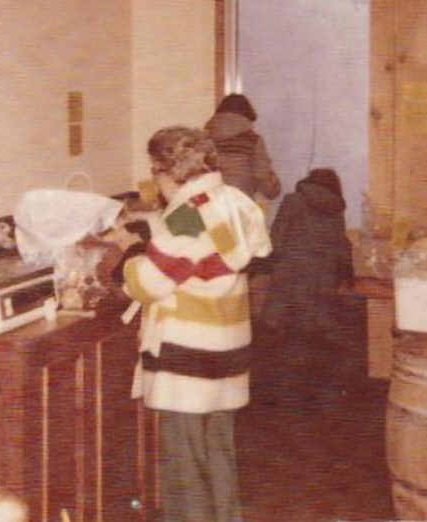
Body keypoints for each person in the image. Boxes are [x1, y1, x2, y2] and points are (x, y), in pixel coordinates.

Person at [121, 126, 272, 522]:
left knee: (183, 467)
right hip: (227, 353)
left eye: (156, 171)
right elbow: (208, 249)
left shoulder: (184, 219)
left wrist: (129, 255)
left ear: (168, 171)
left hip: (186, 360)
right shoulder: (235, 202)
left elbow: (147, 283)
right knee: (218, 455)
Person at [262, 168, 354, 407]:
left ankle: (288, 401)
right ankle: (319, 399)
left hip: (290, 282)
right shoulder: (336, 209)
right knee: (316, 339)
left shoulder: (293, 201)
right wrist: (344, 276)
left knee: (290, 340)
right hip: (321, 284)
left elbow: (275, 242)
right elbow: (342, 247)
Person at [204, 93, 281, 212]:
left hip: (209, 204)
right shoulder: (252, 140)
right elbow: (262, 175)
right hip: (241, 202)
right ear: (248, 116)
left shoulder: (204, 138)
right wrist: (273, 190)